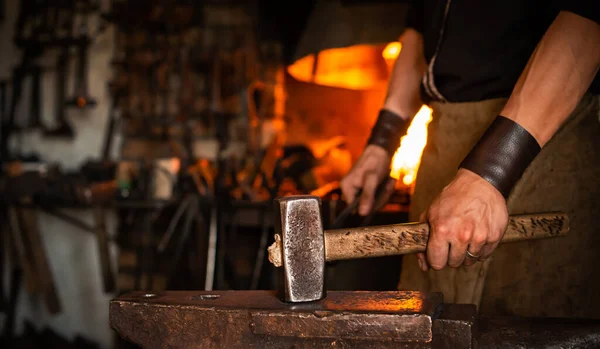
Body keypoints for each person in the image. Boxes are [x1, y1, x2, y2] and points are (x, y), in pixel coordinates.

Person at [340, 0, 600, 318]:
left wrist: (490, 171)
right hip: (442, 149)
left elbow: (588, 20)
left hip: (540, 140)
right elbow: (419, 33)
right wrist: (382, 141)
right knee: (426, 321)